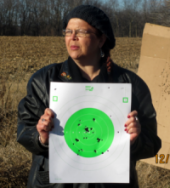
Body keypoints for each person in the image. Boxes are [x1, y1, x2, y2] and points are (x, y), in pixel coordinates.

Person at [17, 5, 161, 188]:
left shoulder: (131, 84)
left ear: (101, 39)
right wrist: (40, 137)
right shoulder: (43, 80)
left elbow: (152, 144)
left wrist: (135, 140)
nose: (72, 37)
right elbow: (23, 130)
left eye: (81, 31)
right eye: (68, 31)